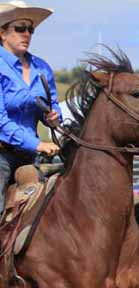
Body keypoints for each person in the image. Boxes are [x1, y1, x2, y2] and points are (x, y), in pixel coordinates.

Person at [0, 1, 60, 213]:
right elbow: (1, 123)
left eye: (30, 29)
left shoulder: (41, 67)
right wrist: (37, 144)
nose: (27, 34)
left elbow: (53, 107)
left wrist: (53, 118)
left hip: (32, 152)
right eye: (20, 28)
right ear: (2, 33)